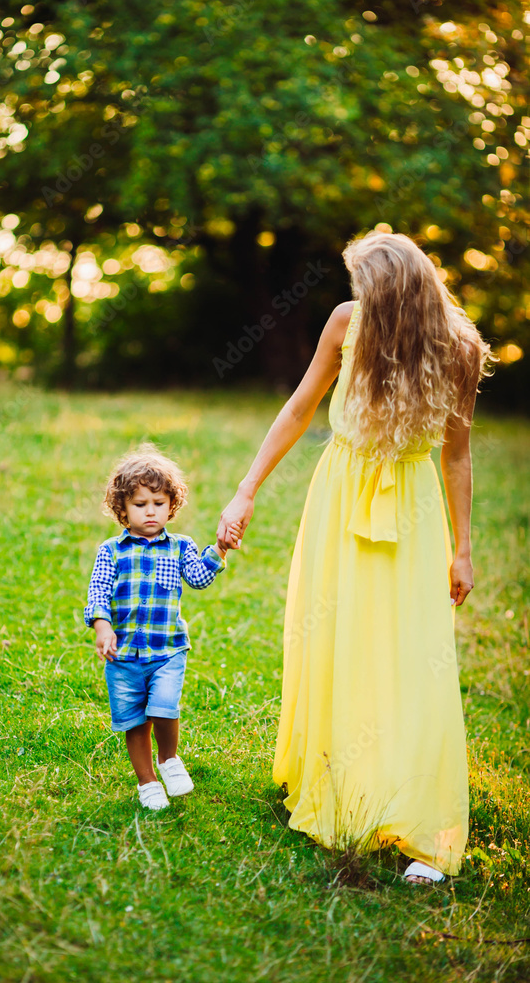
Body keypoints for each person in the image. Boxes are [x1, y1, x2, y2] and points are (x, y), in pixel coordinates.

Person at [217, 230, 492, 885]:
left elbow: (456, 456)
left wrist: (462, 550)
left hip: (411, 513)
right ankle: (338, 779)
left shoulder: (458, 349)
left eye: (364, 285)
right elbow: (298, 408)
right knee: (337, 638)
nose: (356, 296)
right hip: (338, 499)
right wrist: (245, 490)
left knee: (411, 655)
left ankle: (423, 822)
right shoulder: (347, 323)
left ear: (394, 290)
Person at [85, 444, 238, 811]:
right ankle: (147, 782)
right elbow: (98, 591)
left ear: (172, 505)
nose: (150, 511)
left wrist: (219, 549)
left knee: (165, 707)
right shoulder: (111, 551)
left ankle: (168, 758)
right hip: (123, 656)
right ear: (122, 509)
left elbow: (198, 578)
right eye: (140, 504)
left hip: (167, 649)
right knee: (134, 721)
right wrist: (103, 627)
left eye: (158, 502)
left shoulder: (180, 547)